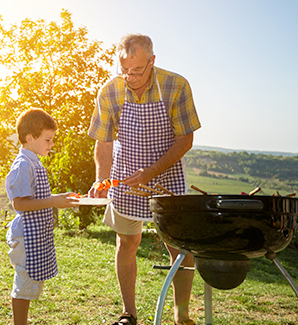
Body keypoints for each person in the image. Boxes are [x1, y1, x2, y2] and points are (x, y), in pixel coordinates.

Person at [88, 33, 201, 325]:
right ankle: (129, 313)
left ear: (152, 61)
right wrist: (101, 178)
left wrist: (151, 172)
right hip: (125, 177)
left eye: (137, 70)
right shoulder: (110, 91)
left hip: (167, 177)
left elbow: (185, 139)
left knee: (179, 248)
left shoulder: (176, 86)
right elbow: (103, 142)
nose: (130, 76)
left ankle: (182, 313)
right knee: (127, 243)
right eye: (124, 70)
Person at [5, 108, 79, 325]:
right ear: (30, 138)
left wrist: (59, 197)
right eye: (48, 139)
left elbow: (36, 196)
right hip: (25, 234)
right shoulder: (23, 165)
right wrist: (54, 202)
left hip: (35, 233)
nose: (51, 144)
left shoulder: (34, 161)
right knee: (24, 283)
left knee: (30, 283)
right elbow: (19, 203)